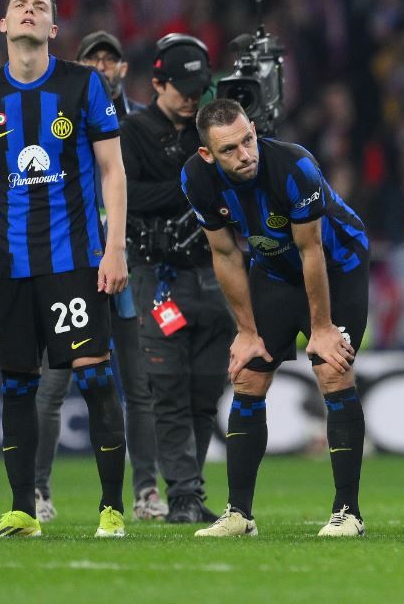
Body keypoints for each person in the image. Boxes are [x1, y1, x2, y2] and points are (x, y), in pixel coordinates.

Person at [0, 0, 131, 539]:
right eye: (19, 5)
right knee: (16, 386)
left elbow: (113, 170)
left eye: (39, 7)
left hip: (74, 260)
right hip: (8, 266)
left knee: (95, 378)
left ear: (53, 29)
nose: (28, 11)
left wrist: (114, 246)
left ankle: (111, 510)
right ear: (3, 24)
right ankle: (23, 511)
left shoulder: (83, 84)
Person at [182, 99, 370, 538]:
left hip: (337, 266)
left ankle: (348, 513)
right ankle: (238, 515)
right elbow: (225, 253)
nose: (245, 154)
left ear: (253, 128)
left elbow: (311, 249)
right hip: (273, 271)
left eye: (248, 140)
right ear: (207, 154)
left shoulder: (294, 167)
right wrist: (247, 332)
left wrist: (321, 329)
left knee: (332, 370)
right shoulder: (195, 178)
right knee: (248, 375)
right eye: (229, 150)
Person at [33, 31, 164, 523]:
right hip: (72, 265)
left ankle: (146, 491)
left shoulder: (143, 125)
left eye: (110, 59)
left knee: (138, 386)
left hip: (127, 265)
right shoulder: (58, 121)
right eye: (93, 60)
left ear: (123, 69)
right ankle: (38, 491)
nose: (102, 67)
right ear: (80, 67)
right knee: (52, 387)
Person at [126, 34, 234, 523]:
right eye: (183, 90)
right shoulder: (132, 132)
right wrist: (191, 186)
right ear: (157, 83)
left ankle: (190, 491)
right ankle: (184, 494)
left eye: (199, 90)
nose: (193, 99)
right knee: (168, 385)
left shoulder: (211, 130)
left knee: (205, 390)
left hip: (214, 275)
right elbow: (126, 197)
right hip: (158, 278)